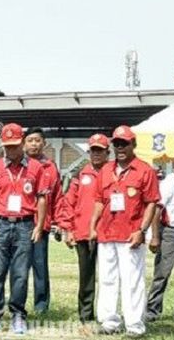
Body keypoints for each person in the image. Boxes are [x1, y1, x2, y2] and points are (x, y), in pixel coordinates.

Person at [89, 125, 160, 336]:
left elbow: (151, 203)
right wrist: (93, 226)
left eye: (124, 144)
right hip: (107, 233)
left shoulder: (145, 170)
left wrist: (142, 230)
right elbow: (99, 201)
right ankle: (109, 321)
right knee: (107, 279)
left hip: (130, 234)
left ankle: (134, 325)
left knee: (132, 280)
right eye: (117, 144)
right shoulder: (106, 170)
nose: (120, 148)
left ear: (133, 145)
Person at [0, 123, 49, 335]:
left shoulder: (36, 168)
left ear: (22, 143)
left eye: (14, 145)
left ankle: (18, 314)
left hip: (24, 225)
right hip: (0, 224)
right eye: (6, 146)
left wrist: (38, 225)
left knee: (20, 274)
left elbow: (42, 197)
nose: (10, 150)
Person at [58, 133, 110, 323]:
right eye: (93, 150)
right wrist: (68, 229)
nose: (96, 154)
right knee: (86, 276)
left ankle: (107, 314)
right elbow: (68, 203)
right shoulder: (80, 174)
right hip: (83, 233)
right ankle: (86, 314)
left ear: (107, 152)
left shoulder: (113, 172)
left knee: (108, 277)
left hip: (108, 234)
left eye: (100, 151)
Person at [145, 146, 174, 322]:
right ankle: (153, 309)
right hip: (171, 232)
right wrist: (155, 236)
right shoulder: (170, 182)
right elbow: (157, 209)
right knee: (163, 272)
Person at [23, 126, 61, 315]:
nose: (34, 144)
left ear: (44, 143)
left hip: (41, 224)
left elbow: (57, 196)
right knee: (19, 266)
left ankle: (41, 305)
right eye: (30, 140)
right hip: (21, 222)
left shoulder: (50, 167)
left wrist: (58, 222)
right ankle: (16, 302)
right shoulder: (19, 165)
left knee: (40, 266)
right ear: (24, 143)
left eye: (38, 140)